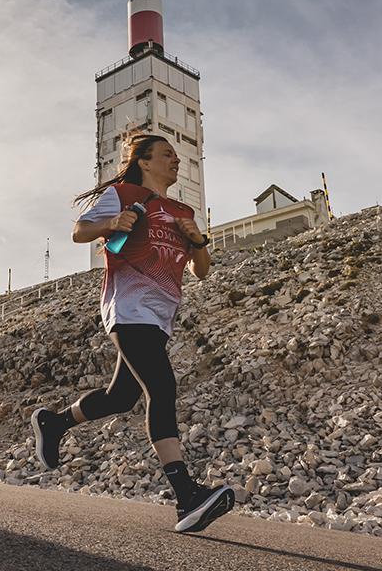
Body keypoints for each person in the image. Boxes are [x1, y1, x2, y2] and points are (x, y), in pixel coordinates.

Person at [30, 133, 235, 534]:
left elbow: (202, 271)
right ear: (144, 160)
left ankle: (53, 423)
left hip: (160, 315)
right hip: (128, 306)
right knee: (161, 386)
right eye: (167, 155)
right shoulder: (123, 193)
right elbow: (79, 231)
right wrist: (111, 222)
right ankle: (186, 497)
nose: (176, 160)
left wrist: (198, 241)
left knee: (121, 397)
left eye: (177, 156)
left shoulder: (182, 209)